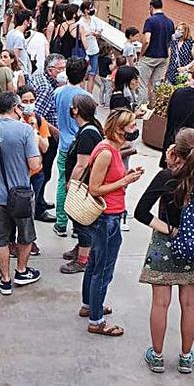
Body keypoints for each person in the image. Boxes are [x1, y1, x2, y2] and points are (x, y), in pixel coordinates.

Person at [136, 128, 194, 373]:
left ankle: (157, 356)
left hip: (165, 247)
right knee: (190, 304)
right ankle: (185, 356)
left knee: (160, 303)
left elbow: (141, 212)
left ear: (175, 151)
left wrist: (170, 230)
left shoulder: (166, 177)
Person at [79, 109, 144, 336]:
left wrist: (126, 178)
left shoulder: (112, 149)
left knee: (95, 263)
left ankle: (90, 305)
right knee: (103, 270)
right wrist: (125, 180)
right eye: (131, 127)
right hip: (107, 216)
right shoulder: (106, 151)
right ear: (119, 129)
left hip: (110, 214)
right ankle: (96, 320)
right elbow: (95, 188)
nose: (135, 130)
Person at [0, 91, 43, 295]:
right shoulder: (25, 131)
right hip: (21, 194)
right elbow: (34, 163)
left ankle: (5, 279)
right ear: (16, 108)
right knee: (25, 235)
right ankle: (21, 271)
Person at [60, 94, 104, 274]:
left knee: (81, 221)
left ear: (77, 111)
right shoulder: (88, 129)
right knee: (79, 219)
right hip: (84, 184)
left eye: (73, 106)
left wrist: (72, 182)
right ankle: (81, 247)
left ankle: (83, 259)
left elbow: (82, 163)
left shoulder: (87, 133)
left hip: (83, 186)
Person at [52, 57, 90, 237]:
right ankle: (77, 225)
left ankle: (61, 222)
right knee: (79, 184)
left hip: (64, 144)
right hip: (81, 147)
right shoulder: (86, 97)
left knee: (62, 182)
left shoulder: (58, 93)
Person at [31, 53, 64, 220]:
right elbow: (37, 116)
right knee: (43, 172)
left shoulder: (40, 78)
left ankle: (40, 200)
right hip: (46, 136)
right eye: (61, 69)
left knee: (45, 172)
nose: (63, 72)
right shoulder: (45, 88)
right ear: (51, 70)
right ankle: (37, 209)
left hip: (44, 134)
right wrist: (55, 131)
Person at [18, 85, 51, 228]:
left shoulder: (38, 120)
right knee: (19, 210)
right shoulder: (14, 122)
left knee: (31, 209)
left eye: (31, 100)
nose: (29, 104)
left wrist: (35, 131)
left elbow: (45, 147)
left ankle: (30, 240)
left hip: (37, 172)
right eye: (25, 101)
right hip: (19, 173)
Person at [137, 0, 176, 97]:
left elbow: (146, 40)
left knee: (143, 85)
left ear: (151, 7)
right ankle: (154, 108)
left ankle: (142, 109)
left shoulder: (150, 21)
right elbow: (171, 40)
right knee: (156, 86)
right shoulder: (170, 22)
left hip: (150, 57)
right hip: (163, 57)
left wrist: (141, 54)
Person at [79, 0, 103, 93]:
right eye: (90, 8)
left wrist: (97, 33)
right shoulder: (80, 22)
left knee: (92, 74)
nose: (93, 9)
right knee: (83, 74)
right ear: (85, 10)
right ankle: (82, 93)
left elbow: (100, 31)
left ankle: (90, 94)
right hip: (85, 50)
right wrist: (87, 34)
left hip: (94, 48)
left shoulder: (94, 20)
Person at [6, 9, 34, 80]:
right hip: (21, 71)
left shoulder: (11, 32)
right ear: (25, 21)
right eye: (30, 21)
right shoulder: (19, 36)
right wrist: (18, 69)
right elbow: (16, 54)